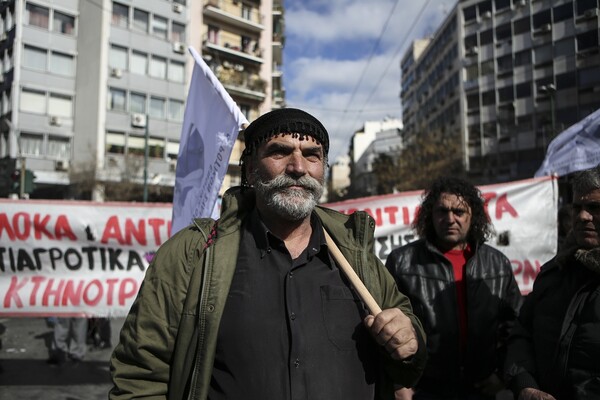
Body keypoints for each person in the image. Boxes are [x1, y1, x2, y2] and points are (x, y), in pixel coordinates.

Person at [109, 108, 427, 399]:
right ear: (249, 170)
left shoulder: (357, 256)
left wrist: (410, 341)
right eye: (279, 151)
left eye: (312, 155)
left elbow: (407, 352)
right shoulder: (193, 254)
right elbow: (140, 374)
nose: (298, 167)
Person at [385, 177, 522, 399]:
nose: (450, 219)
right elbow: (385, 326)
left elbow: (515, 328)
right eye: (442, 211)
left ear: (473, 216)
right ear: (430, 214)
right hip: (425, 390)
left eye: (459, 212)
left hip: (482, 389)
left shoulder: (498, 264)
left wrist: (502, 375)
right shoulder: (402, 262)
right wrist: (399, 383)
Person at [504, 165, 600, 400]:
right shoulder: (553, 273)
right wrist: (525, 384)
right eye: (577, 207)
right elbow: (521, 335)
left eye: (594, 208)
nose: (582, 216)